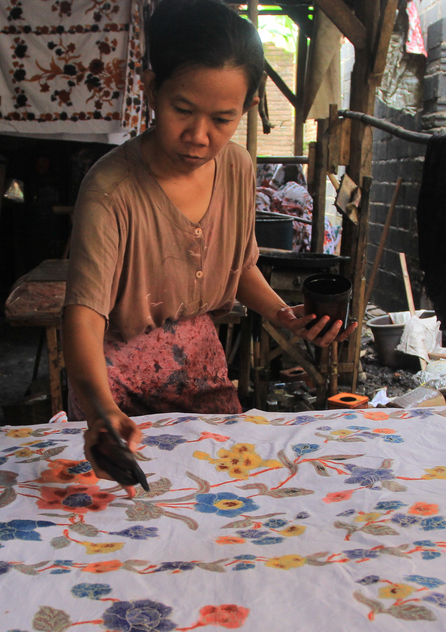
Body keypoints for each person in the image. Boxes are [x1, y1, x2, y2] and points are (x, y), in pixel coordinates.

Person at [61, 0, 355, 481]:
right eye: (183, 110)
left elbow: (238, 268)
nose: (199, 135)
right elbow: (83, 317)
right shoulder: (110, 190)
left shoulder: (238, 168)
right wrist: (99, 410)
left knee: (224, 492)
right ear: (152, 89)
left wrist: (284, 314)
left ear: (248, 107)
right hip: (113, 378)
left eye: (222, 119)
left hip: (199, 366)